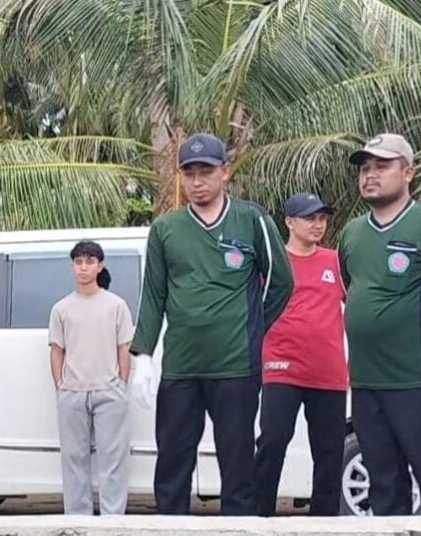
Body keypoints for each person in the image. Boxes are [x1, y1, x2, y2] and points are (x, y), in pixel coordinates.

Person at [128, 132, 293, 515]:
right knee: (172, 464)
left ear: (225, 172)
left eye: (206, 171)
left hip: (236, 367)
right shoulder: (166, 229)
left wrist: (251, 328)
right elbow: (153, 295)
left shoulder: (251, 220)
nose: (197, 181)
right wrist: (143, 356)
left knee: (237, 465)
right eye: (189, 173)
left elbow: (281, 282)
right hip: (181, 367)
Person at [338, 133, 421, 515]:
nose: (370, 175)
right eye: (365, 168)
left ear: (408, 172)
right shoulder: (352, 233)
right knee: (384, 484)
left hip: (418, 380)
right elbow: (352, 288)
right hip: (367, 383)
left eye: (382, 166)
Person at [253, 193, 347, 516]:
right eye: (309, 218)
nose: (318, 225)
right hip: (282, 368)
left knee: (329, 452)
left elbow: (359, 304)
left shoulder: (335, 262)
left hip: (329, 373)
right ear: (290, 222)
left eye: (322, 218)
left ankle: (324, 522)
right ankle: (259, 518)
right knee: (272, 442)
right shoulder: (272, 262)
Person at [49, 240, 135, 516]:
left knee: (113, 460)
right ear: (72, 266)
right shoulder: (61, 308)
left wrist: (121, 383)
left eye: (89, 261)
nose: (83, 267)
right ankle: (78, 521)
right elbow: (56, 349)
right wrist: (61, 386)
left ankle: (113, 521)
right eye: (78, 262)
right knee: (73, 461)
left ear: (100, 266)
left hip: (109, 392)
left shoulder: (116, 305)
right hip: (72, 393)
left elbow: (124, 347)